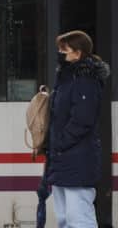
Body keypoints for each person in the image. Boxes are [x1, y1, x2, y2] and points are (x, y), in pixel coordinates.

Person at [47, 30, 109, 228]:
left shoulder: (85, 80)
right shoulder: (67, 79)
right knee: (64, 217)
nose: (60, 54)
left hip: (77, 159)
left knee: (79, 217)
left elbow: (83, 119)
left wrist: (59, 142)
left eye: (64, 50)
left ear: (78, 52)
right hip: (63, 159)